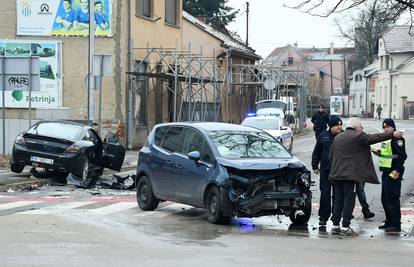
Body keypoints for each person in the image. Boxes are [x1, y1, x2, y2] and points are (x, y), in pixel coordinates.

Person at [328, 117, 402, 236]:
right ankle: (345, 226)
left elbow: (330, 156)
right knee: (349, 200)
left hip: (336, 175)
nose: (362, 128)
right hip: (349, 176)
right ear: (356, 126)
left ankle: (335, 225)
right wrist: (391, 134)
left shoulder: (338, 137)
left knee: (338, 200)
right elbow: (375, 137)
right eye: (361, 126)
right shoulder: (358, 136)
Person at [373, 119, 407, 233]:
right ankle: (389, 221)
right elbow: (389, 155)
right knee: (385, 199)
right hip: (386, 172)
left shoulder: (397, 139)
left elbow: (402, 156)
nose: (385, 129)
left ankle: (395, 224)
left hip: (394, 173)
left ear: (393, 127)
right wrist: (379, 153)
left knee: (392, 199)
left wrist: (397, 170)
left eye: (387, 127)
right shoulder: (387, 139)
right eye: (384, 128)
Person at [311, 116, 343, 227]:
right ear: (330, 126)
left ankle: (336, 217)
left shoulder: (343, 136)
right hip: (325, 170)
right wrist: (315, 165)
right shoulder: (323, 135)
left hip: (339, 170)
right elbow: (316, 152)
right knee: (325, 194)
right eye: (336, 125)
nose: (339, 127)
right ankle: (323, 217)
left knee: (338, 195)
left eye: (340, 125)